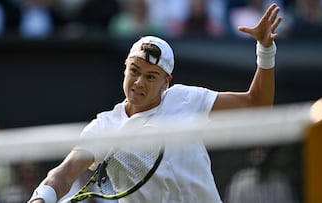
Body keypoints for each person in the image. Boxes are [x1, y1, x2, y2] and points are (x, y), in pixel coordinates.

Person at [28, 3, 282, 203]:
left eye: (150, 76)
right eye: (134, 71)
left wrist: (265, 50)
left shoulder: (186, 99)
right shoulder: (105, 127)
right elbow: (65, 172)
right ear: (125, 68)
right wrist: (41, 197)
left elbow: (257, 104)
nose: (138, 82)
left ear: (165, 82)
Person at [225, 146, 295, 203]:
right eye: (255, 149)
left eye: (263, 148)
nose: (259, 152)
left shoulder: (279, 182)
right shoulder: (239, 181)